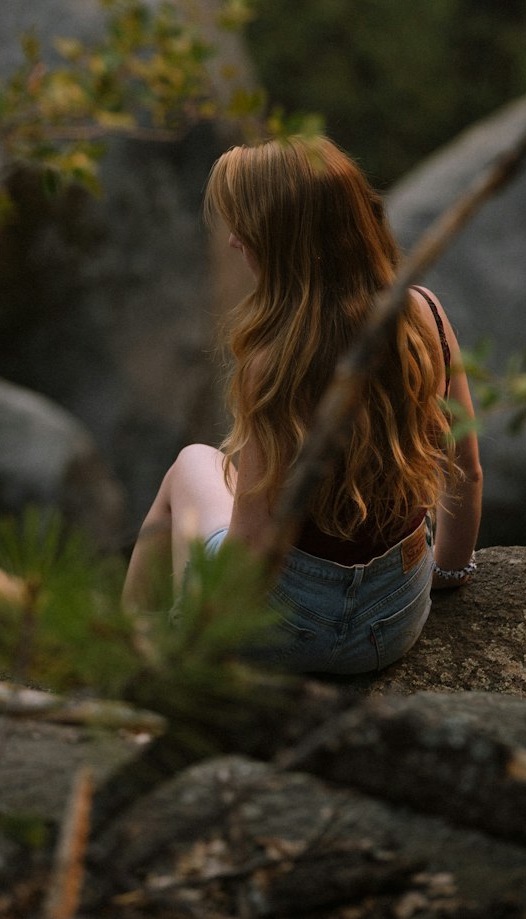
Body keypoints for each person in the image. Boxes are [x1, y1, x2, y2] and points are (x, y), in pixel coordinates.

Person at [122, 135, 482, 673]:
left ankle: (127, 651)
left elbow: (254, 547)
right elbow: (466, 472)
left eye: (243, 228)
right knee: (215, 470)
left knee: (192, 465)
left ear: (278, 242)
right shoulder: (421, 316)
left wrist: (194, 637)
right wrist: (448, 575)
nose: (232, 243)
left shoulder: (275, 360)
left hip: (287, 633)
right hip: (394, 622)